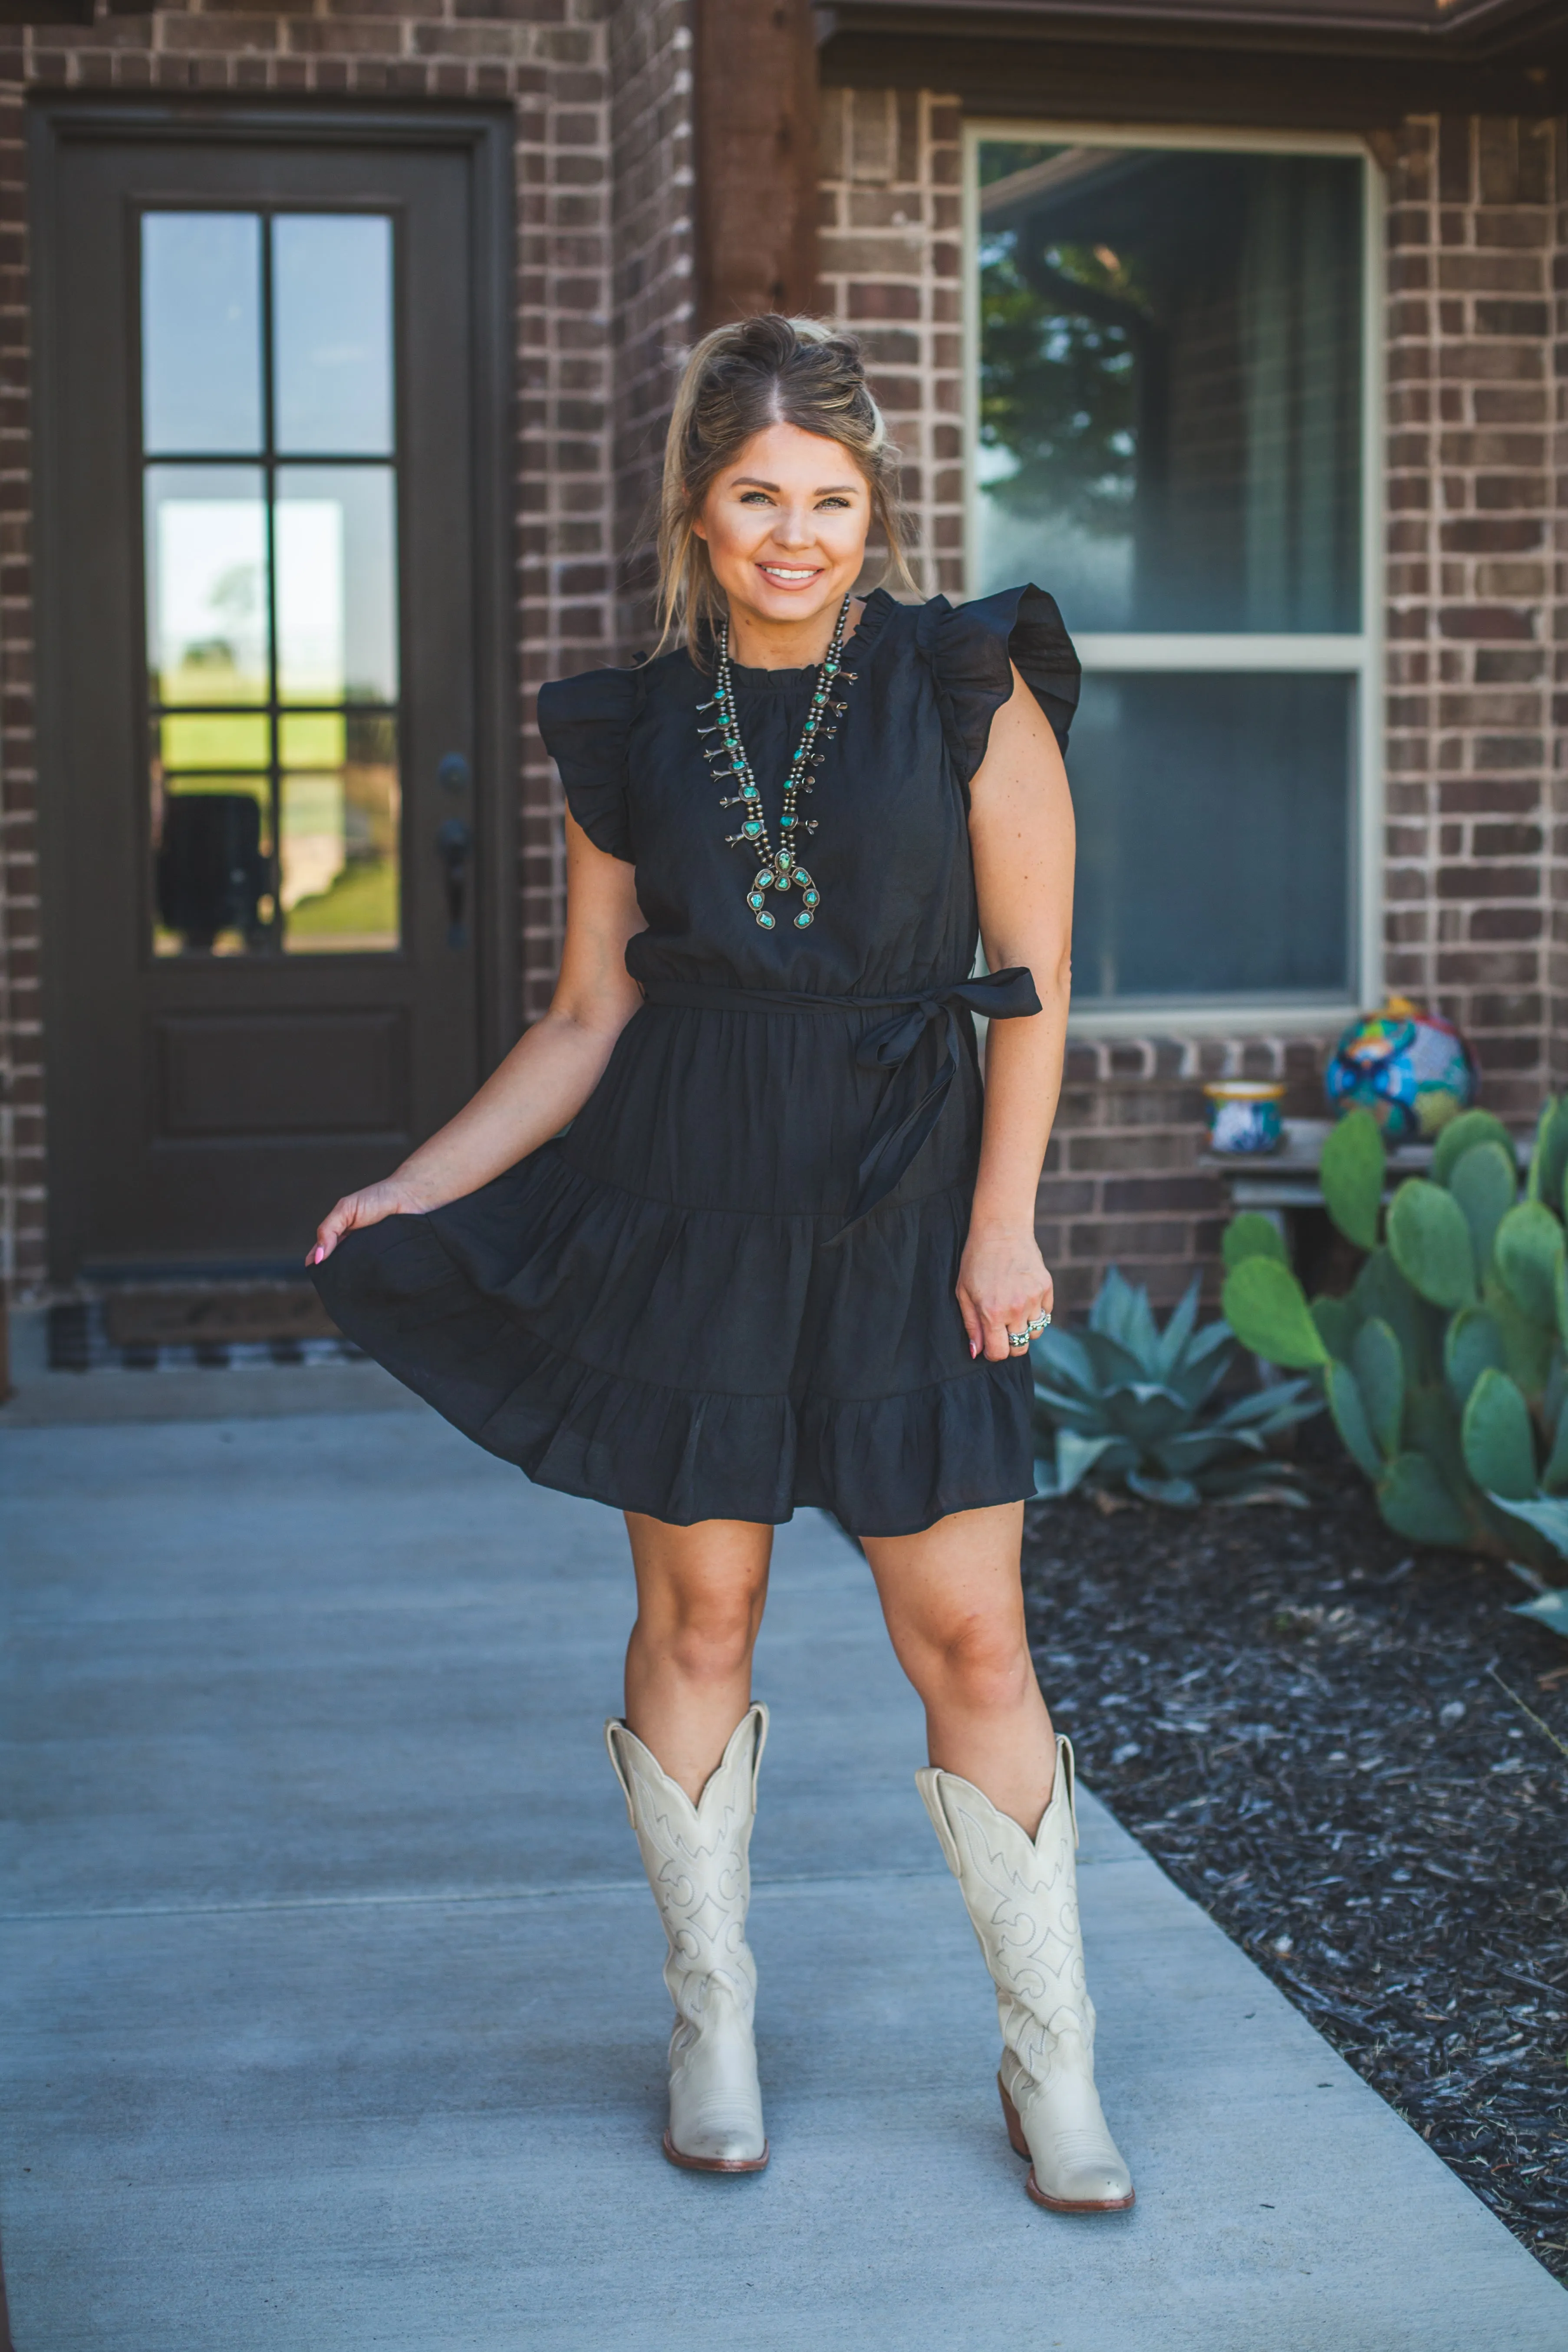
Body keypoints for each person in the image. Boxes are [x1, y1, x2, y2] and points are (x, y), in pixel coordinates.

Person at [310, 314, 1132, 2213]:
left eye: (830, 500)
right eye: (758, 494)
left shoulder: (963, 681)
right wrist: (413, 1185)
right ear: (701, 501)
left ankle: (1054, 2065)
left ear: (874, 507)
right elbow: (589, 1013)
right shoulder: (635, 725)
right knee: (704, 1625)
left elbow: (1037, 986)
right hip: (688, 1196)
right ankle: (712, 2018)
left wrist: (1007, 1217)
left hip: (917, 1207)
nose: (794, 532)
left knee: (977, 1638)